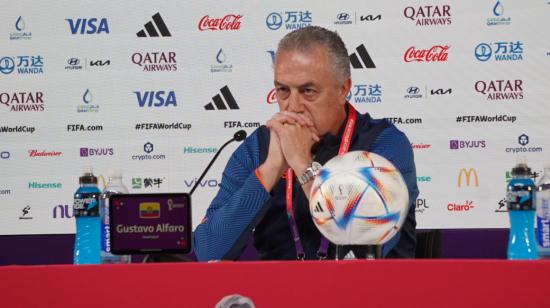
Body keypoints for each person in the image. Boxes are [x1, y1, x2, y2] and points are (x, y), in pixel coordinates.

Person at [194, 26, 419, 261]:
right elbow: (209, 250)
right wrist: (270, 169)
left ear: (343, 89)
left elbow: (362, 247)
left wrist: (303, 165)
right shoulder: (258, 148)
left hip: (366, 292)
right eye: (283, 90)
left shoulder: (383, 143)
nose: (293, 106)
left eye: (308, 91)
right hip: (279, 293)